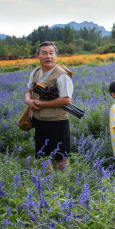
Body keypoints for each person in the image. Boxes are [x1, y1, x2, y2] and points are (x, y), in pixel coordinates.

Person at [24, 41, 74, 171]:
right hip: (39, 121)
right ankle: (47, 186)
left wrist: (42, 104)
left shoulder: (62, 75)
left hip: (57, 122)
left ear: (56, 56)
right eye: (44, 53)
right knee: (41, 157)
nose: (48, 56)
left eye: (51, 53)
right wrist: (29, 101)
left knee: (61, 158)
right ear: (38, 56)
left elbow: (66, 100)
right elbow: (29, 91)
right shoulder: (35, 72)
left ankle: (66, 187)